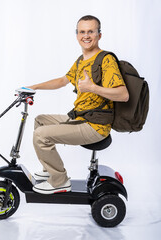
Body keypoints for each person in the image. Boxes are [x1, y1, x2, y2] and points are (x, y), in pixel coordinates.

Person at [27, 15, 129, 194]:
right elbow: (61, 80)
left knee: (41, 135)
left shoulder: (105, 60)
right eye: (82, 32)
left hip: (95, 125)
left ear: (99, 35)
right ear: (77, 35)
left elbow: (123, 94)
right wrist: (33, 87)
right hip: (81, 117)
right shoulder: (81, 61)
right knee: (41, 120)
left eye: (91, 31)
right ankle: (48, 170)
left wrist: (92, 88)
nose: (86, 36)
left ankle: (59, 181)